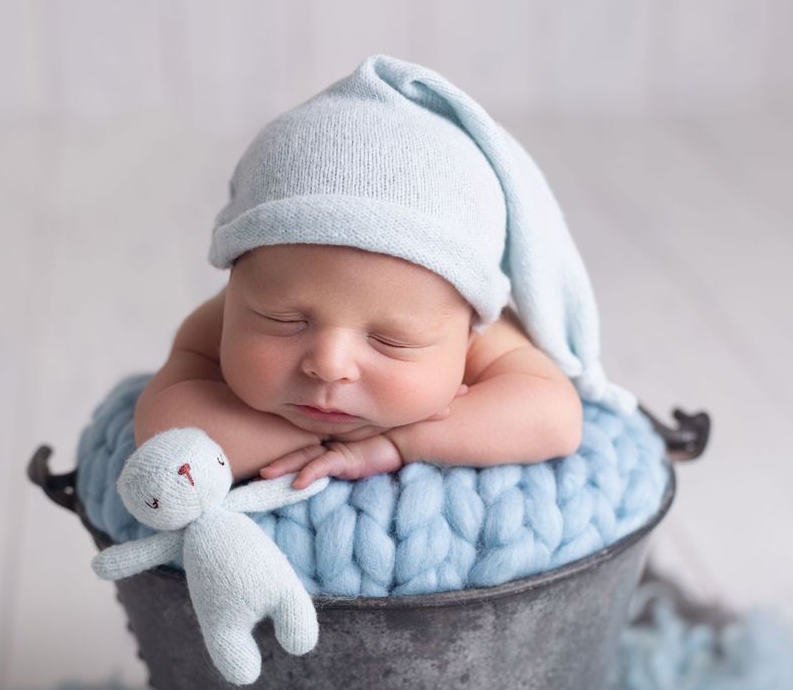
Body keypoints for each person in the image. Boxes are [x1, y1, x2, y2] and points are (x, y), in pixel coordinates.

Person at [134, 55, 635, 488]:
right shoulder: (218, 322)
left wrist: (396, 440)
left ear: (468, 321)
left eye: (392, 341)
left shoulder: (477, 333)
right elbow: (164, 430)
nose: (329, 365)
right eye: (284, 321)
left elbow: (554, 419)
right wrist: (322, 433)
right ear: (237, 282)